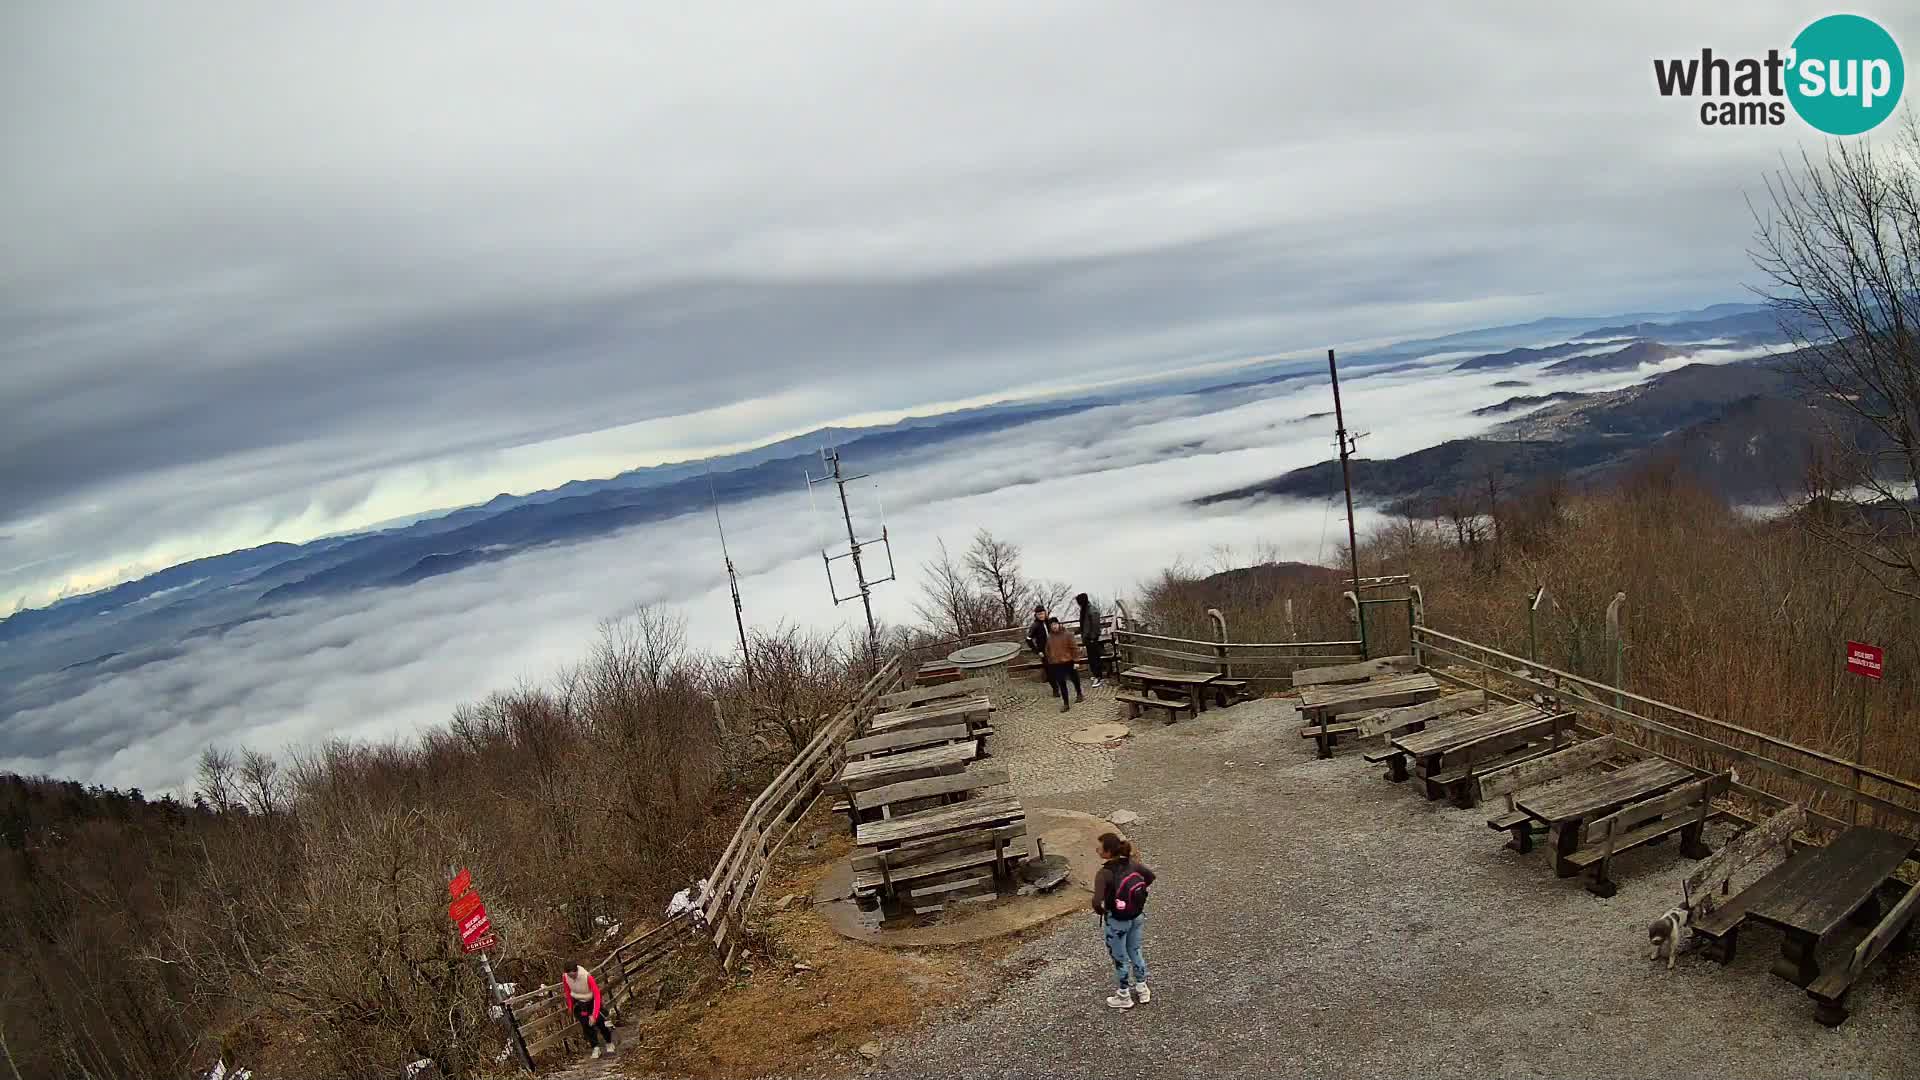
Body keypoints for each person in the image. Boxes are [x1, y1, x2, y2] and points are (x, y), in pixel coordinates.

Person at [1091, 832, 1155, 1009]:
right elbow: (1149, 877)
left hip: (1117, 921)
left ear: (1108, 852)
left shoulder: (1104, 873)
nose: (1097, 849)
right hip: (1136, 916)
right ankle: (1142, 988)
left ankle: (1124, 995)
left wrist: (1103, 910)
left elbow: (1096, 901)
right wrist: (1132, 898)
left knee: (1120, 958)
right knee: (1135, 951)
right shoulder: (1132, 865)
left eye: (1100, 847)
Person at [558, 961, 616, 1058]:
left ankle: (609, 1042)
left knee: (600, 1023)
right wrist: (570, 1006)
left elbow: (597, 995)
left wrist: (594, 1015)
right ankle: (595, 1047)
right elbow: (567, 991)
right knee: (586, 1025)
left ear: (576, 971)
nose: (572, 977)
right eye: (570, 976)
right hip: (579, 1002)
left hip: (592, 1000)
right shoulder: (565, 977)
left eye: (574, 975)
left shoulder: (586, 976)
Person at [1043, 616, 1083, 712]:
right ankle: (1066, 703)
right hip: (1056, 663)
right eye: (1052, 625)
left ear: (1059, 624)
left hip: (1068, 661)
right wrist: (1050, 661)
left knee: (1074, 679)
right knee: (1061, 683)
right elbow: (1047, 650)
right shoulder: (1049, 637)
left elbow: (1074, 648)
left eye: (1055, 624)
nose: (1054, 626)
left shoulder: (1067, 634)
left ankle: (1079, 693)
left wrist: (1076, 661)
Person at [1076, 592, 1106, 687]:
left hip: (1092, 639)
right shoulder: (1084, 609)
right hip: (1088, 638)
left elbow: (1095, 625)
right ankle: (1096, 675)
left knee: (1095, 658)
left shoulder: (1091, 610)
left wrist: (1093, 637)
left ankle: (1099, 677)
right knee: (1092, 658)